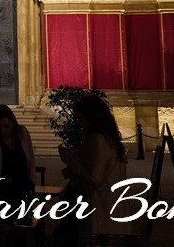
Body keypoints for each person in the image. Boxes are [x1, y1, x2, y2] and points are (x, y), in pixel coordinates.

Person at [55, 95, 130, 243]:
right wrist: (73, 171)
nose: (79, 122)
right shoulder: (108, 138)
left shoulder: (98, 139)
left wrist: (69, 158)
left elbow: (94, 178)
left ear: (91, 117)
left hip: (100, 206)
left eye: (81, 117)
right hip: (111, 203)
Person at [0, 104, 36, 206]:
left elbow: (31, 159)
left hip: (24, 190)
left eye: (6, 126)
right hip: (2, 193)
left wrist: (32, 182)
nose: (2, 131)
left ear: (13, 123)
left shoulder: (22, 134)